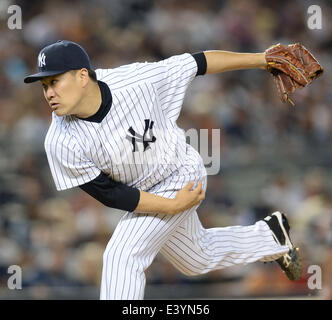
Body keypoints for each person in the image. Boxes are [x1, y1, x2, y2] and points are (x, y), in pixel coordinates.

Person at [24, 40, 301, 300]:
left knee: (123, 255)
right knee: (197, 258)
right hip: (145, 193)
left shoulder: (137, 82)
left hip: (180, 173)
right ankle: (270, 237)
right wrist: (169, 206)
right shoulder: (60, 140)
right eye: (44, 85)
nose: (49, 93)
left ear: (82, 76)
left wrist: (262, 59)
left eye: (55, 81)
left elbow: (200, 62)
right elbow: (112, 195)